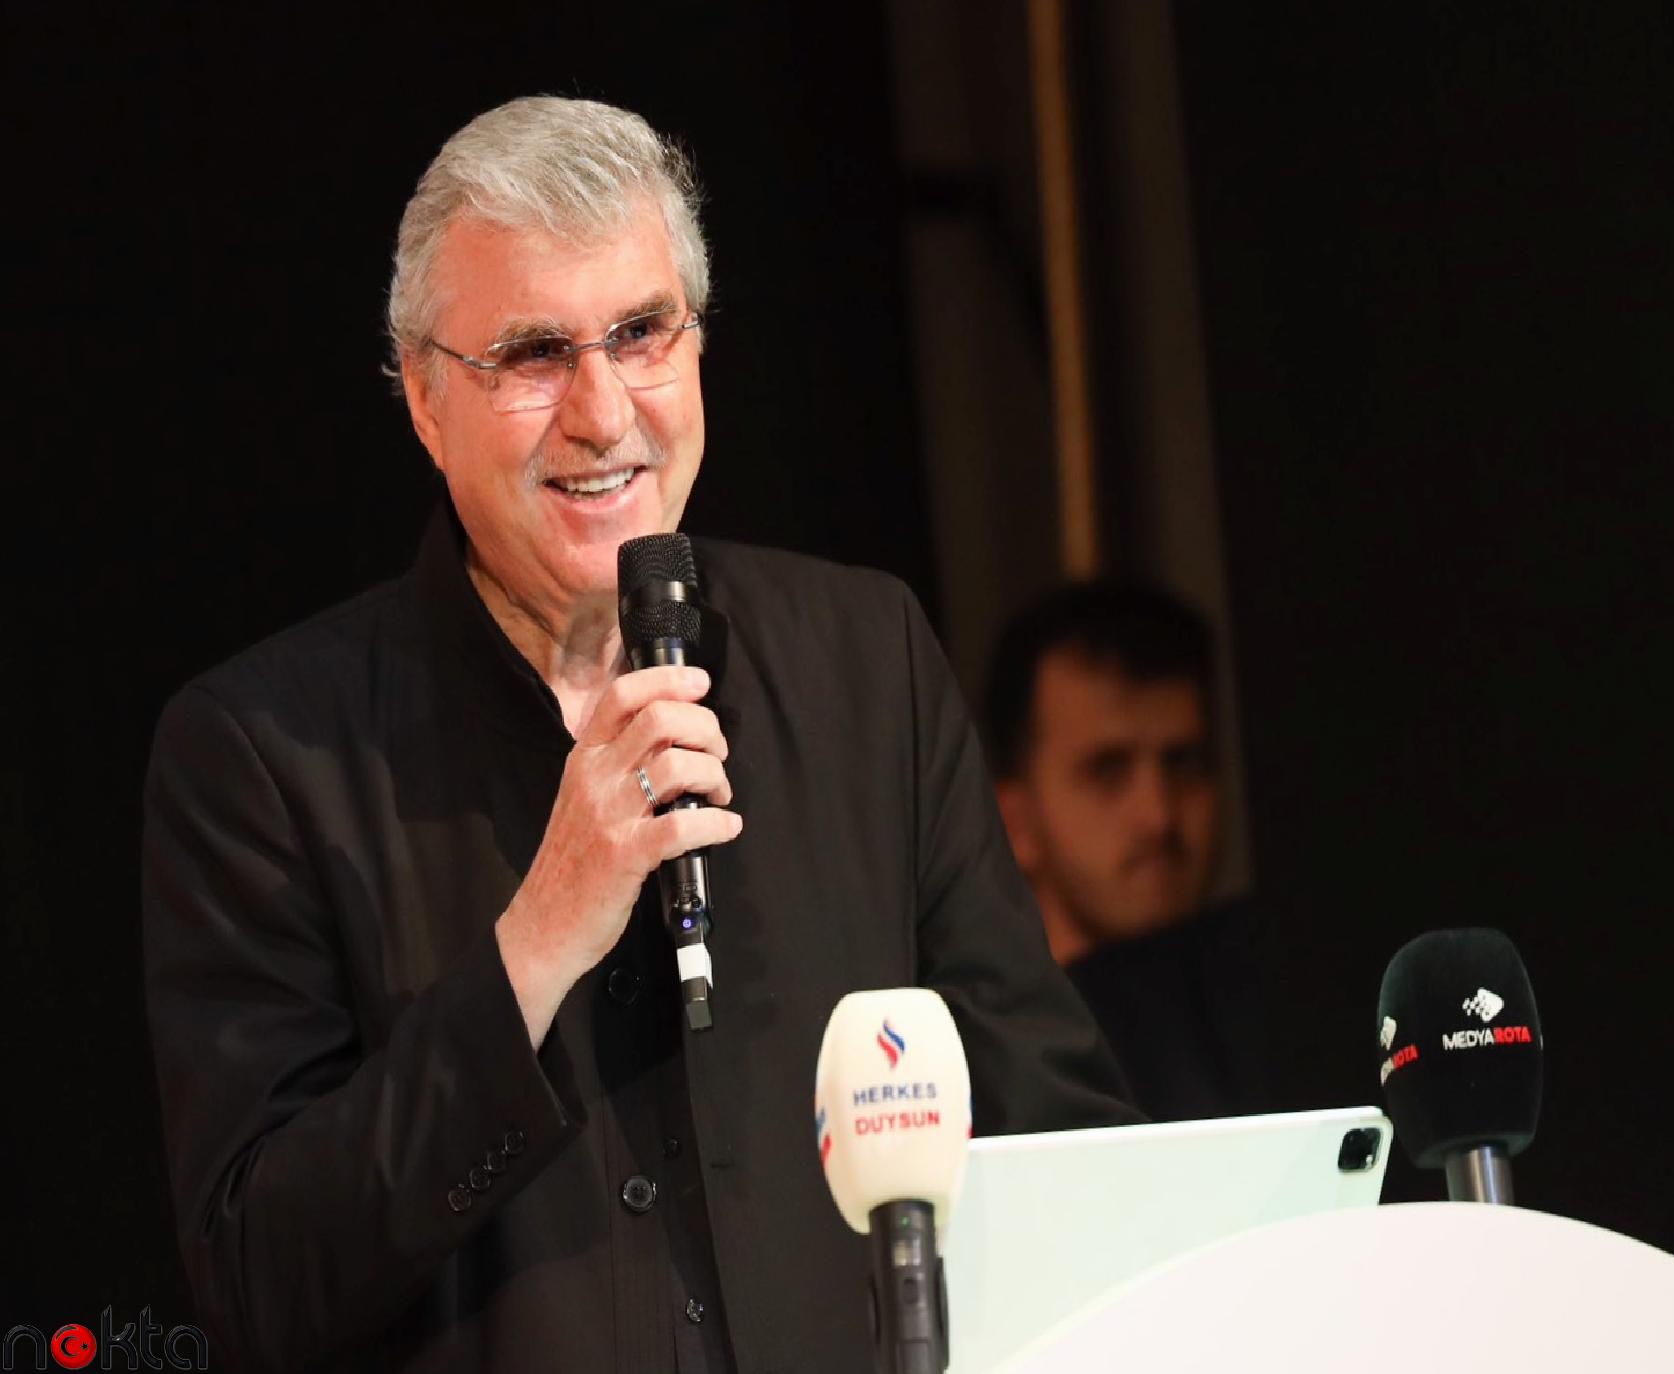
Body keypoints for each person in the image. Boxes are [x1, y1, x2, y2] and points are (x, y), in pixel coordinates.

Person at [140, 96, 1135, 1374]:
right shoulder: (263, 755)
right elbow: (260, 1279)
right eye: (534, 354)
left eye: (640, 332)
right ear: (425, 399)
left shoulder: (862, 658)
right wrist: (536, 943)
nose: (604, 413)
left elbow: (1053, 1132)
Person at [984, 582, 1267, 1120]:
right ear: (1012, 821)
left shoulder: (1285, 1026)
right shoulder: (981, 1077)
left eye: (1183, 763)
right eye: (1107, 770)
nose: (1158, 815)